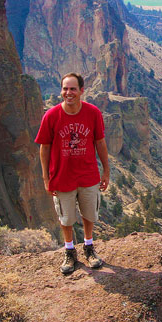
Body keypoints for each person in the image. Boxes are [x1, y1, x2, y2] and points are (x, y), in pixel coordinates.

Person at [35, 72, 110, 274]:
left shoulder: (93, 113)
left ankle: (88, 247)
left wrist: (106, 170)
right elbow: (44, 147)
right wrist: (45, 177)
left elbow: (100, 142)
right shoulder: (51, 116)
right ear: (61, 91)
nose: (68, 93)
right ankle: (69, 251)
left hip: (88, 175)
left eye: (73, 89)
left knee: (89, 214)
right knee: (66, 218)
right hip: (62, 176)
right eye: (65, 89)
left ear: (81, 91)